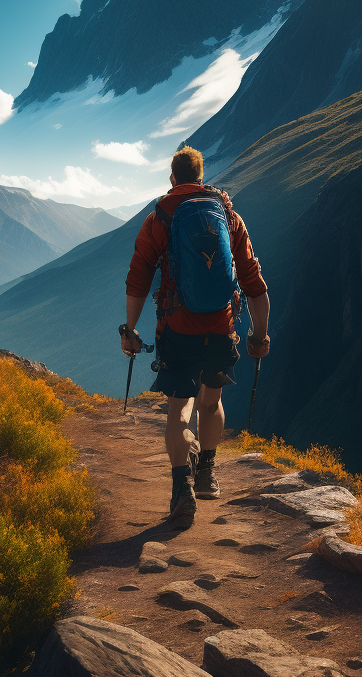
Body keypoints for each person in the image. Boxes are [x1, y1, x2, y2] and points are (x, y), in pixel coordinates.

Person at [121, 146, 270, 526]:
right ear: (201, 176)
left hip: (178, 327)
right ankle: (206, 474)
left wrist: (130, 329)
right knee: (211, 400)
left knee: (180, 409)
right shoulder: (227, 216)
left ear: (172, 178)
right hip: (221, 327)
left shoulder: (160, 217)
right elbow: (254, 284)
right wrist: (259, 336)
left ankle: (181, 489)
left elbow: (138, 279)